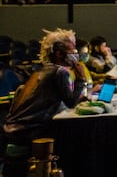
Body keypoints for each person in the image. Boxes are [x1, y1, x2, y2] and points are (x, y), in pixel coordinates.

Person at [1, 28, 87, 177]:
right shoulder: (60, 71)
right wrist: (81, 79)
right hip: (29, 134)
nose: (76, 54)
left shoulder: (41, 70)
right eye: (72, 50)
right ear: (59, 53)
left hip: (13, 131)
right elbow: (71, 102)